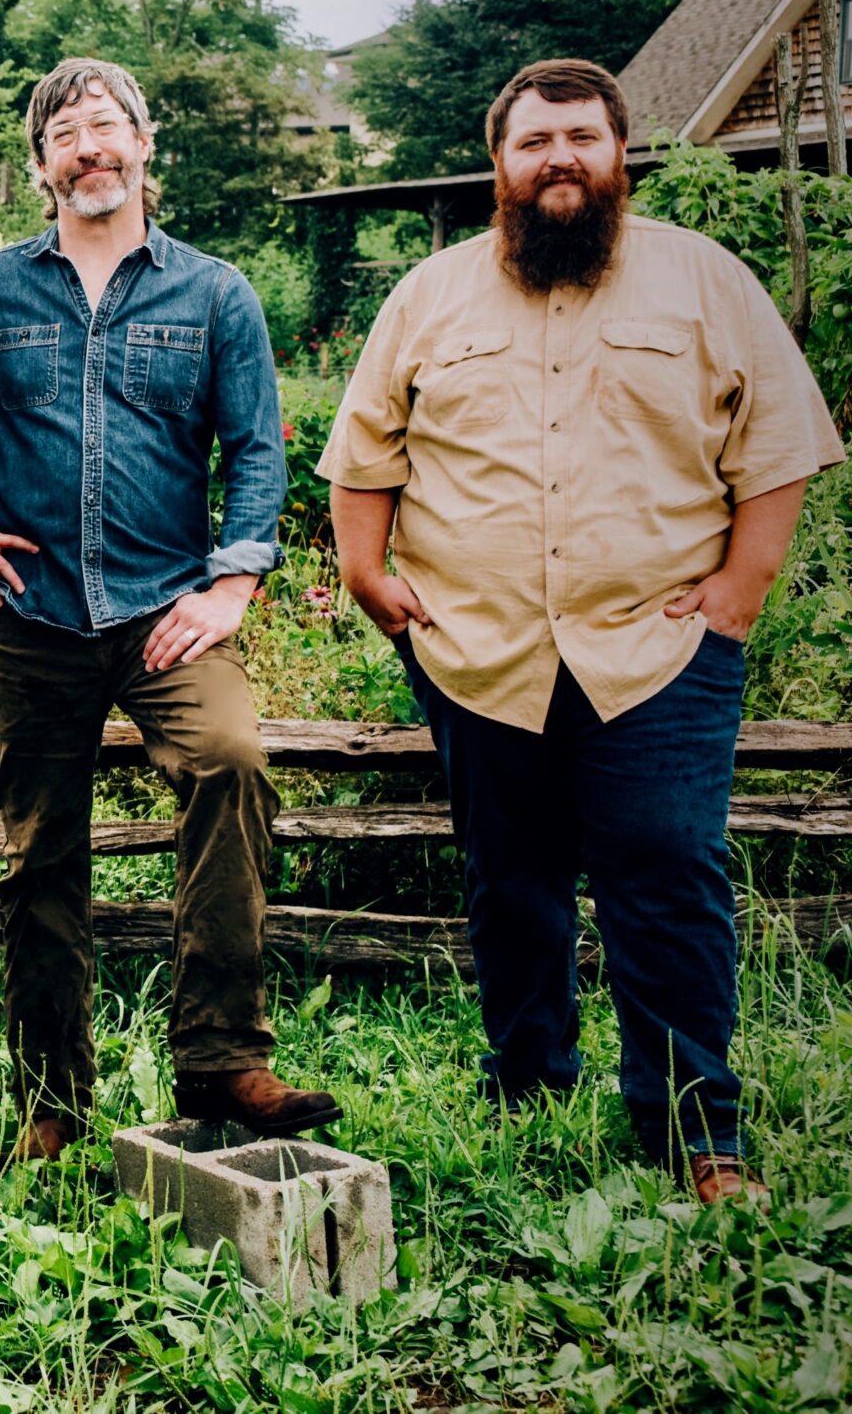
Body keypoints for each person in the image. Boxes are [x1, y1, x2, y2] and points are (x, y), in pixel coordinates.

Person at [322, 58, 843, 1204]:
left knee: (665, 874)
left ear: (619, 154)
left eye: (581, 138)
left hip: (656, 650)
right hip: (475, 648)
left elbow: (780, 449)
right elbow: (364, 454)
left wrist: (736, 600)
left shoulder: (705, 283)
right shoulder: (430, 296)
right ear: (498, 166)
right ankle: (529, 1084)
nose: (559, 157)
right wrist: (367, 577)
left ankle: (696, 1132)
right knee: (510, 880)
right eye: (533, 142)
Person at [0, 57, 337, 1162]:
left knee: (228, 759)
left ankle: (221, 1057)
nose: (88, 148)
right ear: (37, 164)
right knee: (40, 855)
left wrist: (234, 579)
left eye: (107, 127)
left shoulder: (214, 292)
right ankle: (52, 1101)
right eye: (64, 134)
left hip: (166, 614)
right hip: (32, 617)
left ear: (146, 147)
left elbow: (256, 451)